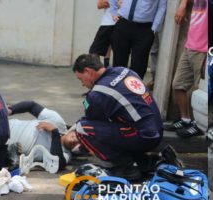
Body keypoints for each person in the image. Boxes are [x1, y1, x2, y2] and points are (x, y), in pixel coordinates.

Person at [72, 54, 166, 180]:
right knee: (121, 118)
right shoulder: (125, 71)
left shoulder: (98, 93)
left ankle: (126, 168)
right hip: (157, 129)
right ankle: (142, 162)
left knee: (81, 128)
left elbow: (92, 124)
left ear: (88, 71)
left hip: (144, 137)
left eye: (81, 79)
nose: (82, 84)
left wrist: (82, 146)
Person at [164, 0, 208, 138]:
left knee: (201, 94)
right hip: (190, 46)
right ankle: (186, 120)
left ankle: (201, 127)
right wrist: (183, 4)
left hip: (203, 51)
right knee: (178, 84)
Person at [6, 101, 77, 172]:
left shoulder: (65, 154)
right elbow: (31, 106)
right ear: (74, 129)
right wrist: (8, 111)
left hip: (3, 149)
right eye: (78, 136)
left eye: (80, 144)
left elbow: (58, 165)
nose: (76, 141)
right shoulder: (58, 121)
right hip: (5, 127)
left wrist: (55, 134)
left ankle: (11, 156)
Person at [109, 0, 167, 79]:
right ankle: (117, 89)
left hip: (144, 29)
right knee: (118, 63)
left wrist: (154, 28)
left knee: (138, 66)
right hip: (123, 24)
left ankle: (134, 91)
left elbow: (162, 7)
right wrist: (113, 12)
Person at [89, 0, 117, 68]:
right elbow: (100, 5)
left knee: (119, 54)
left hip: (120, 23)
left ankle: (114, 72)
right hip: (106, 23)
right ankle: (100, 70)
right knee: (94, 51)